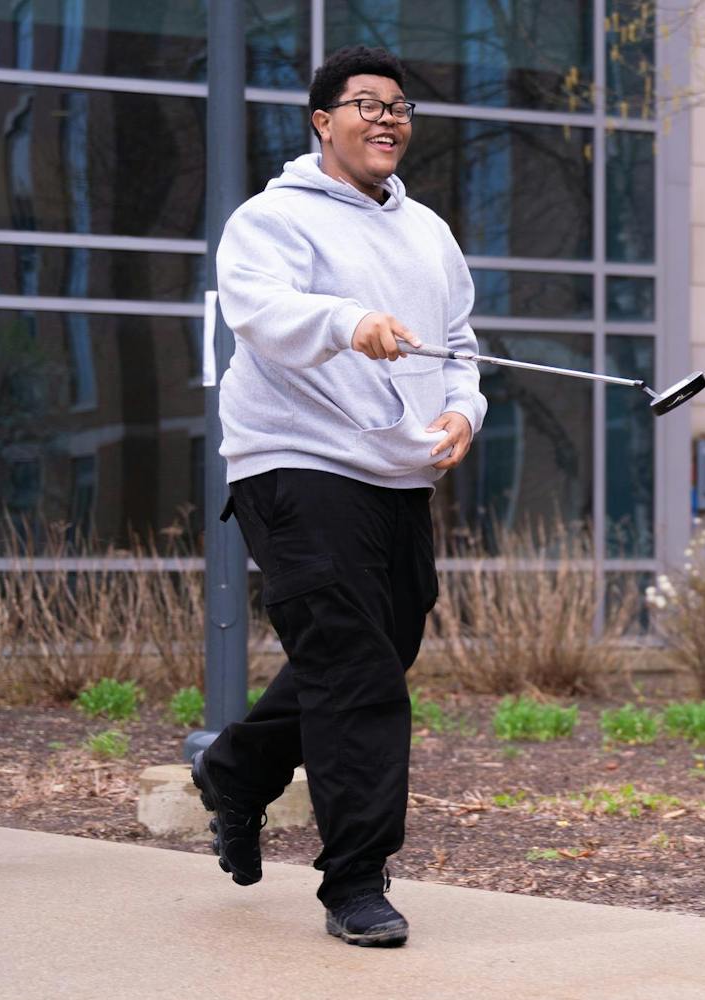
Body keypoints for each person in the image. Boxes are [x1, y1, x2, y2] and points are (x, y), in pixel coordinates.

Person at [189, 45, 486, 948]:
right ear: (323, 122)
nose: (387, 118)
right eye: (366, 103)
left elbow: (459, 342)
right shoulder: (272, 219)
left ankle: (238, 770)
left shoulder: (428, 232)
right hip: (296, 463)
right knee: (355, 670)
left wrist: (464, 409)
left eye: (399, 106)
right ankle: (355, 881)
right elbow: (259, 311)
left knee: (377, 649)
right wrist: (347, 322)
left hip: (397, 470)